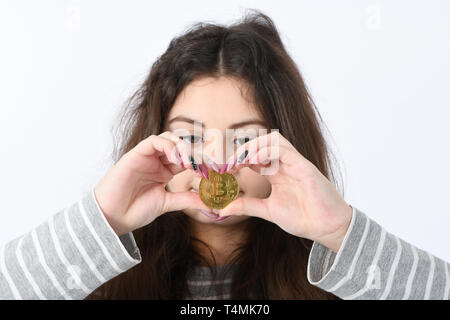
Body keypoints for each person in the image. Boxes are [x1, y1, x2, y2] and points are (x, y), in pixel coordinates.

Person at [0, 10, 449, 300]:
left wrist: (339, 231)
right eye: (189, 139)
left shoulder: (342, 276)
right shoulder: (95, 273)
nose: (216, 164)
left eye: (246, 140)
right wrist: (102, 220)